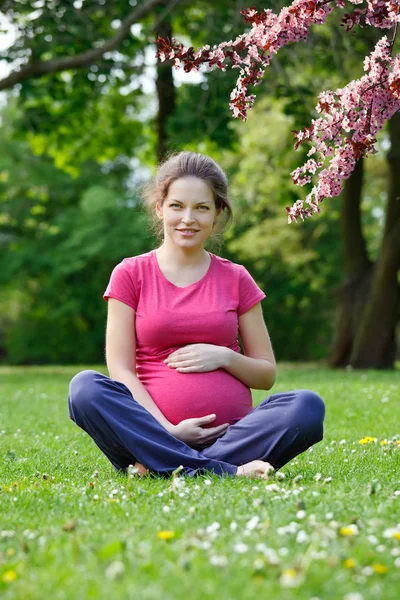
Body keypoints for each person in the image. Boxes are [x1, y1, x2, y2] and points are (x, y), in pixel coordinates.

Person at [68, 151, 325, 479]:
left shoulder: (237, 278)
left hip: (232, 437)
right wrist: (167, 430)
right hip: (154, 432)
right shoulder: (130, 274)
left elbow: (265, 375)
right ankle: (223, 471)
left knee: (307, 406)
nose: (188, 218)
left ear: (217, 214)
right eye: (177, 206)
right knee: (85, 388)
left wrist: (223, 357)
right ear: (160, 208)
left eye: (201, 208)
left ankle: (167, 465)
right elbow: (121, 369)